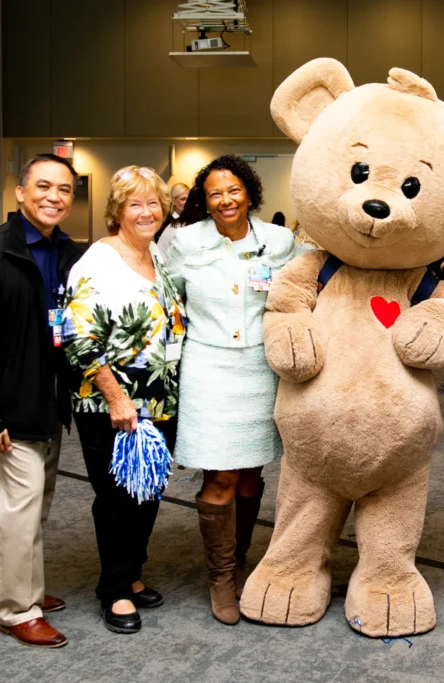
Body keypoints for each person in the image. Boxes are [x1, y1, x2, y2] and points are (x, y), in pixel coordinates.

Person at [0, 153, 85, 648]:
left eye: (65, 190)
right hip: (8, 409)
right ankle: (17, 609)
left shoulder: (67, 253)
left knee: (29, 507)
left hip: (48, 405)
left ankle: (0, 587)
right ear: (20, 193)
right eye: (44, 187)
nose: (54, 196)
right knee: (20, 509)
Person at [165, 155, 303, 624]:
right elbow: (166, 300)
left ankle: (242, 562)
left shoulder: (280, 241)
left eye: (234, 190)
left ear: (250, 193)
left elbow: (308, 289)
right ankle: (221, 577)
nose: (225, 200)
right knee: (219, 476)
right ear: (205, 201)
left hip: (261, 370)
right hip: (208, 367)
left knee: (248, 475)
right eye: (215, 193)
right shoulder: (185, 242)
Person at [63, 166, 186, 634]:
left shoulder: (154, 254)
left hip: (159, 395)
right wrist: (116, 397)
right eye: (134, 203)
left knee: (147, 490)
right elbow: (78, 337)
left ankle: (132, 574)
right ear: (117, 210)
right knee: (116, 497)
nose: (146, 211)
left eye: (153, 202)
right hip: (111, 399)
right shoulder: (99, 260)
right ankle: (113, 590)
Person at [154, 182, 190, 253]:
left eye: (188, 199)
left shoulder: (192, 220)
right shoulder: (164, 224)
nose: (187, 203)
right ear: (173, 201)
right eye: (183, 199)